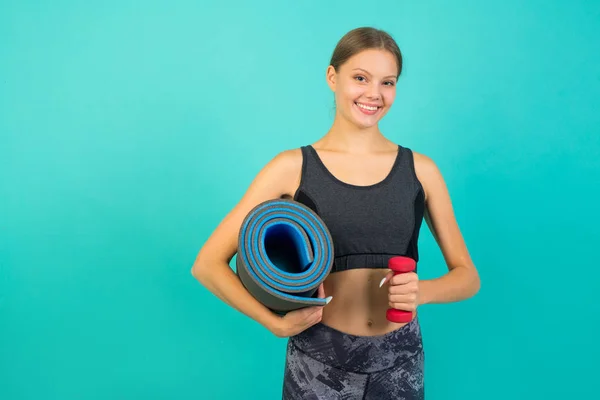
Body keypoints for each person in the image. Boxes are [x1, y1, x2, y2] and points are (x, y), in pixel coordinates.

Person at [191, 26, 480, 400]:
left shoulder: (421, 171)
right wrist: (274, 324)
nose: (374, 94)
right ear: (333, 77)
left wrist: (422, 291)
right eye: (360, 78)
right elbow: (208, 264)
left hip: (400, 360)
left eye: (387, 82)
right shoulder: (291, 167)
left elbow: (467, 277)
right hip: (319, 361)